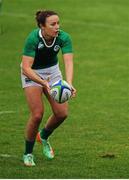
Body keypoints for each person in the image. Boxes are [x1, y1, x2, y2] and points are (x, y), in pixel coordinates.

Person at [21, 10, 76, 166]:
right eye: (53, 24)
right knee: (37, 114)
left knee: (62, 113)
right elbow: (26, 67)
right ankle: (28, 153)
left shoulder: (63, 38)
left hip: (52, 70)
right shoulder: (33, 39)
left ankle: (43, 136)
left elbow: (68, 62)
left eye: (58, 23)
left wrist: (69, 83)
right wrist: (43, 82)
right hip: (32, 72)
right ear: (42, 26)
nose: (57, 27)